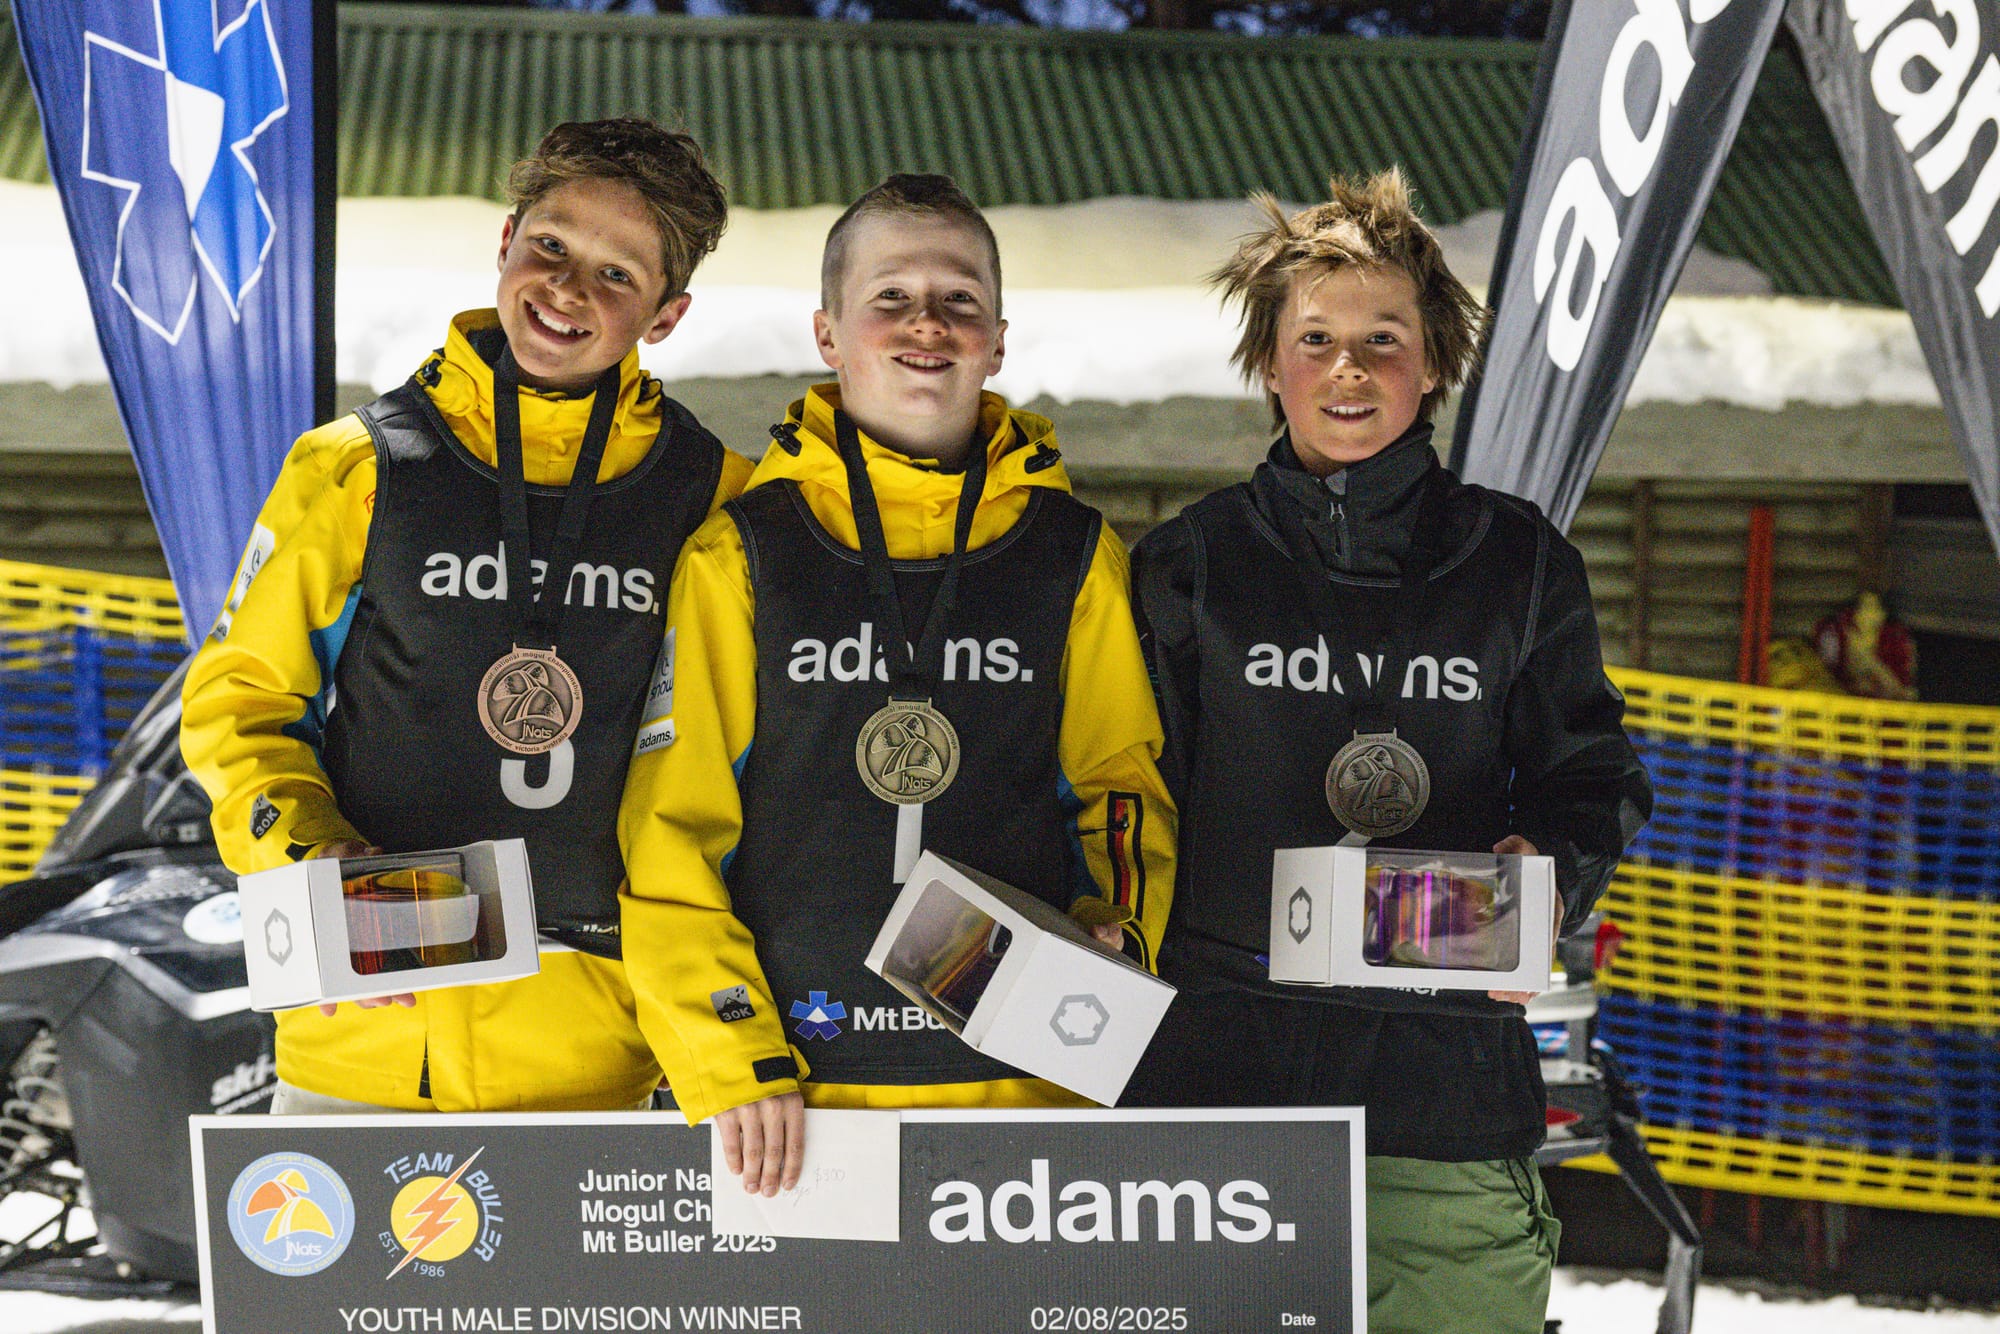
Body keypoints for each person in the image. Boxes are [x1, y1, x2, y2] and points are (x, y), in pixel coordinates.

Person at [1123, 169, 1652, 1333]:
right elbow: (1125, 795)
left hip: (1441, 1088)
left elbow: (1590, 775)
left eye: (1381, 336)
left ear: (1434, 361)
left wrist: (1548, 865)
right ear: (1270, 361)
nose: (1347, 367)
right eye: (1314, 336)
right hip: (1223, 1081)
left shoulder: (1516, 563)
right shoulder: (1190, 560)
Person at [618, 173, 1175, 1194]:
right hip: (794, 1104)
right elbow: (670, 829)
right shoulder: (741, 553)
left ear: (997, 337)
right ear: (829, 333)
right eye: (890, 296)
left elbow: (1121, 787)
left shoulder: (1070, 553)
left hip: (1026, 1098)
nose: (927, 320)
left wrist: (1120, 936)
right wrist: (725, 1047)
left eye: (959, 297)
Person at [180, 118, 749, 1114]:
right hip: (356, 1045)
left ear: (665, 315)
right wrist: (311, 853)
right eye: (552, 246)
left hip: (593, 1066)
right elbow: (240, 702)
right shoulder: (357, 466)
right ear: (505, 243)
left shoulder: (717, 499)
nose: (569, 289)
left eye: (618, 275)